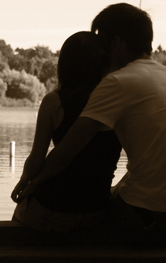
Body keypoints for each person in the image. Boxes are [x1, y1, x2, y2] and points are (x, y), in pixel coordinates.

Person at [16, 3, 166, 233]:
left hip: (150, 217)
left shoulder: (117, 82)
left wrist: (31, 185)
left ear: (116, 44)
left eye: (102, 44)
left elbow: (66, 152)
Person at [10, 31, 122, 233]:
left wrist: (25, 182)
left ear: (65, 64)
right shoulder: (116, 100)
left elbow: (36, 159)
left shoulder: (54, 102)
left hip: (51, 209)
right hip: (96, 211)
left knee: (20, 215)